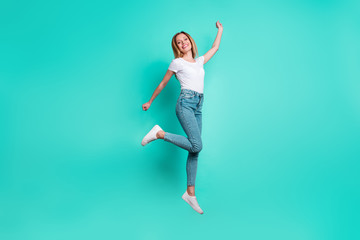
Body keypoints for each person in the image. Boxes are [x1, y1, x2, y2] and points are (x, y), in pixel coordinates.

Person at [141, 21, 223, 214]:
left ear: (190, 42)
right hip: (185, 104)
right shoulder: (176, 63)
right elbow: (162, 83)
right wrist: (150, 101)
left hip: (198, 106)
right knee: (197, 145)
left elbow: (215, 47)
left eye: (185, 39)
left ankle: (190, 194)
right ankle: (159, 133)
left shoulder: (199, 61)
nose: (183, 43)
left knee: (195, 151)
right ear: (176, 47)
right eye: (179, 42)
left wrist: (220, 30)